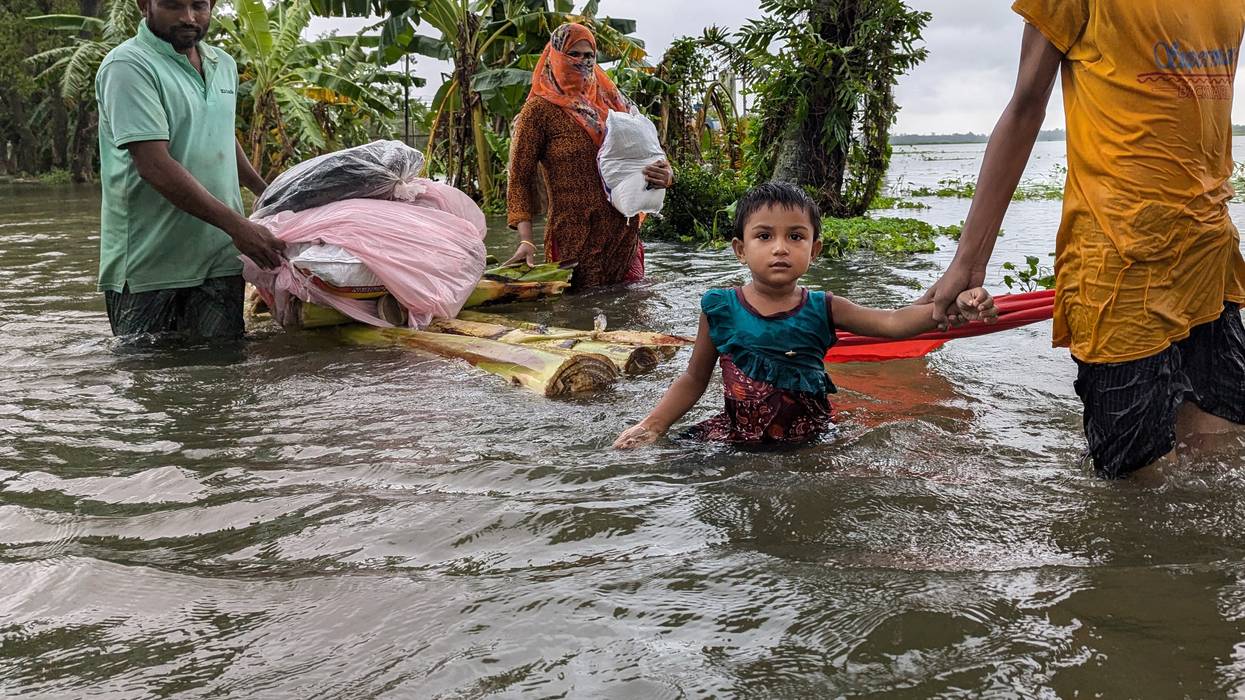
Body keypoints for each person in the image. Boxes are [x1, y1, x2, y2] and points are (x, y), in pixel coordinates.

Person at [920, 1, 1245, 479]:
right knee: (1138, 484)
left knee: (1223, 453)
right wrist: (969, 262)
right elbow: (1026, 104)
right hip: (1118, 266)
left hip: (1210, 255)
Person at [614, 183, 998, 448]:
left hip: (809, 438)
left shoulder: (824, 307)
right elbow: (694, 377)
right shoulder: (719, 307)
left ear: (814, 251)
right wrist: (654, 424)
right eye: (764, 236)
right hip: (737, 438)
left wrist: (953, 307)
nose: (780, 248)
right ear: (740, 249)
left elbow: (893, 324)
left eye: (795, 237)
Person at [95, 0, 285, 341]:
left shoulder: (222, 63)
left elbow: (221, 136)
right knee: (153, 384)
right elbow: (154, 165)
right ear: (144, 5)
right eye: (173, 5)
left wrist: (270, 194)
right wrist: (238, 226)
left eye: (199, 5)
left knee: (223, 380)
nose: (188, 17)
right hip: (150, 269)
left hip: (221, 260)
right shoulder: (128, 65)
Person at [506, 23, 673, 289]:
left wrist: (667, 174)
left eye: (589, 55)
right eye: (574, 53)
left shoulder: (614, 103)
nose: (583, 61)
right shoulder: (539, 110)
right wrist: (526, 240)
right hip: (574, 237)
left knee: (632, 314)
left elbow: (650, 153)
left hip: (623, 236)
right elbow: (519, 179)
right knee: (579, 319)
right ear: (556, 55)